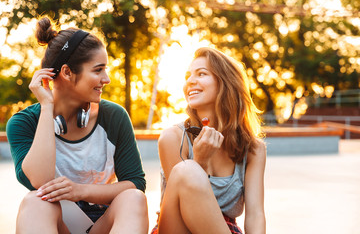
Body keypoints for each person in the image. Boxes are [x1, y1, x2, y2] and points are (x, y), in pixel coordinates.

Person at [6, 17, 148, 234]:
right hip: (57, 222)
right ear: (67, 72)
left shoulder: (114, 116)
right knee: (35, 202)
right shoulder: (23, 123)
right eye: (98, 70)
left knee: (133, 198)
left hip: (104, 224)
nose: (106, 79)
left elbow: (135, 183)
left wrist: (80, 190)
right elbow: (40, 181)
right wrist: (46, 108)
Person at [151, 47, 266, 234]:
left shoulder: (253, 149)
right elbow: (184, 201)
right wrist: (200, 162)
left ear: (225, 83)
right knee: (187, 170)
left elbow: (256, 215)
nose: (190, 81)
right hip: (178, 228)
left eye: (201, 74)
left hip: (225, 228)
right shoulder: (172, 138)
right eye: (188, 76)